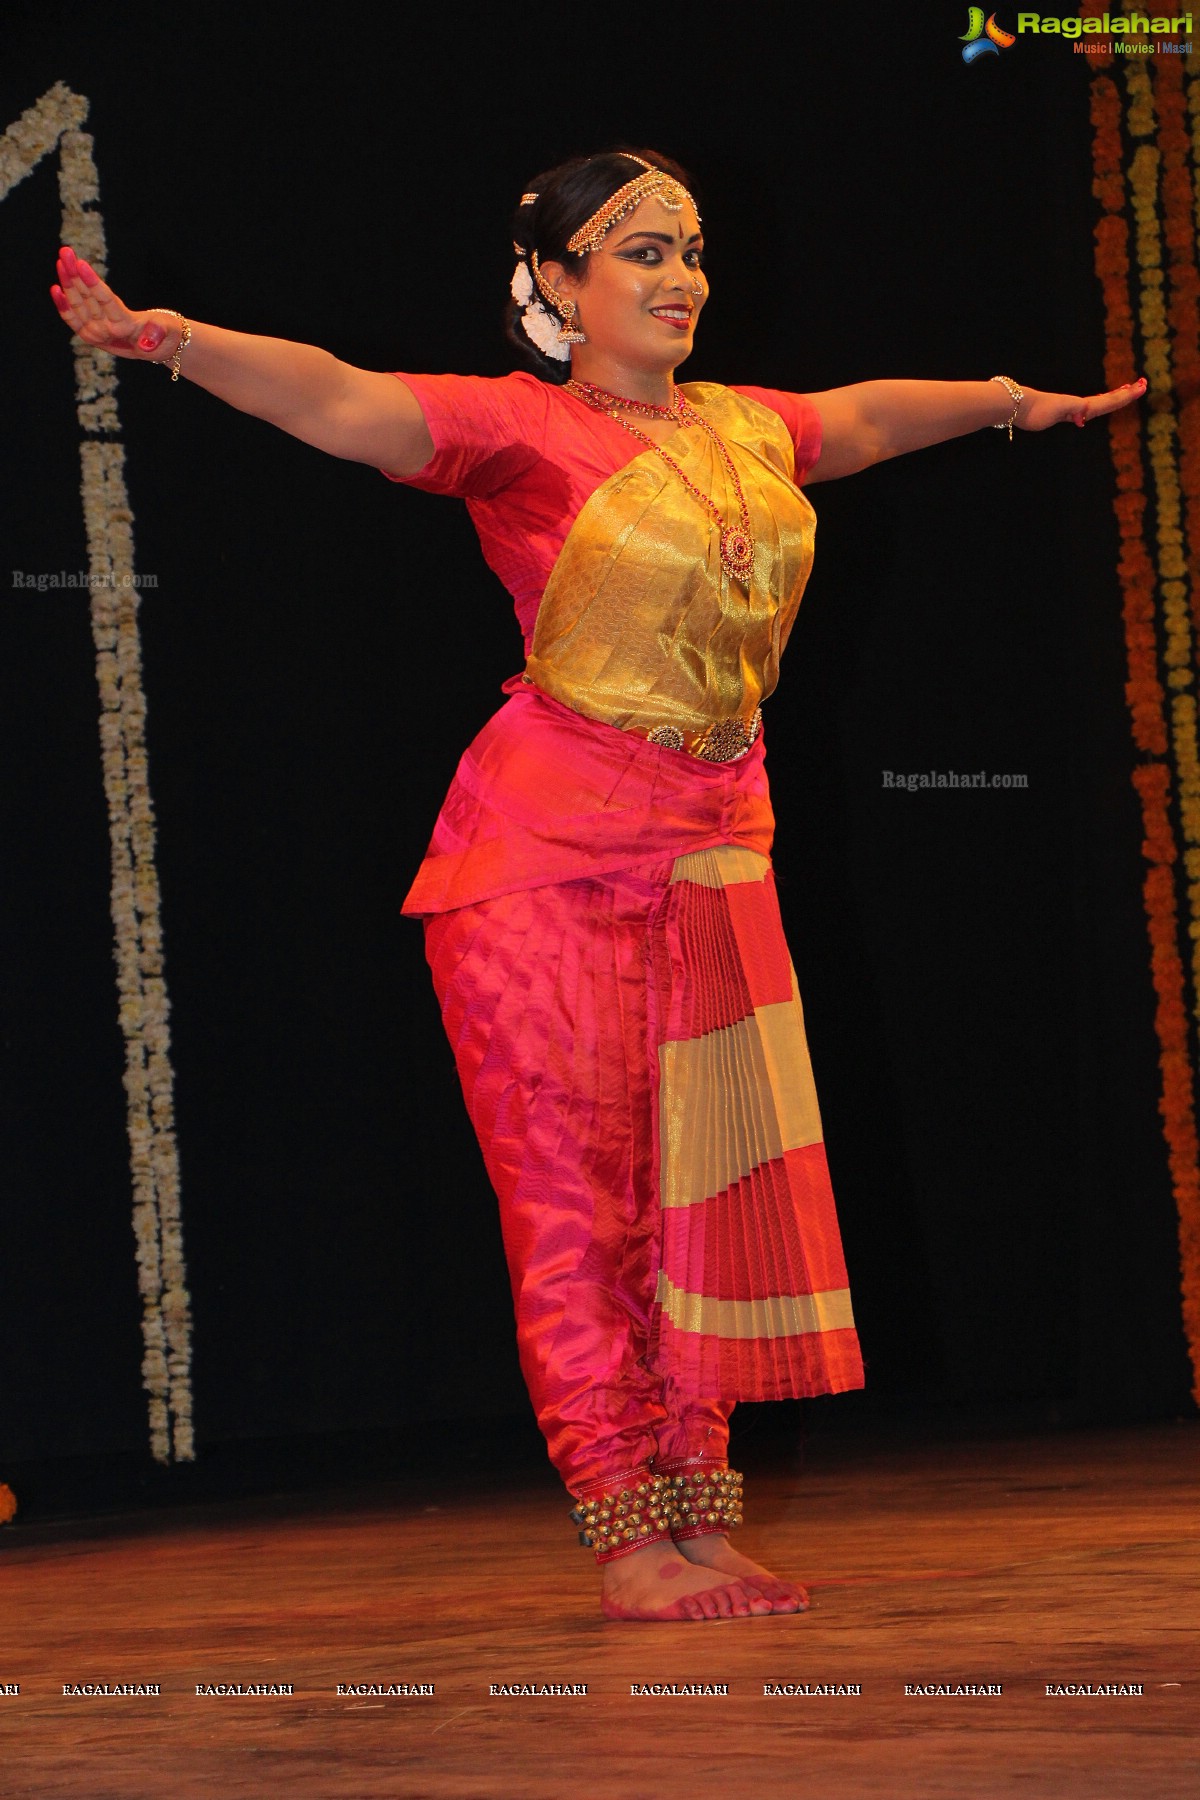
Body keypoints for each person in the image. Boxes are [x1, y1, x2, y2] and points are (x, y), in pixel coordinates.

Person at [49, 149, 1144, 1623]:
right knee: (582, 1207)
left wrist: (1020, 402)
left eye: (689, 249)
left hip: (711, 853)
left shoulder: (745, 429)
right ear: (557, 285)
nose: (682, 275)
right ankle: (628, 1530)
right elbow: (336, 395)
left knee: (702, 1198)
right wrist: (171, 341)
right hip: (544, 862)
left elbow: (874, 416)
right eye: (638, 251)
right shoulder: (518, 431)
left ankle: (699, 1511)